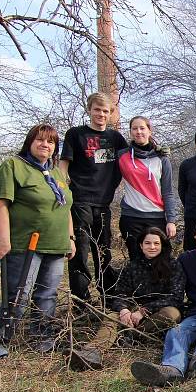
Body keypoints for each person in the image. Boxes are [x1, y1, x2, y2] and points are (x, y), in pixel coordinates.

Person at [0, 124, 75, 360]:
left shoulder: (55, 172)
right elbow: (1, 204)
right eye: (40, 140)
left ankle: (42, 337)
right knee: (18, 294)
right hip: (26, 243)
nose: (45, 145)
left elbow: (66, 208)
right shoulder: (14, 166)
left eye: (51, 142)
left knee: (47, 294)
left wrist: (71, 238)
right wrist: (3, 239)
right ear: (30, 142)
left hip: (56, 243)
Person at [130, 217, 196, 387]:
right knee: (175, 332)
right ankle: (172, 369)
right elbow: (173, 286)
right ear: (195, 235)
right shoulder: (185, 259)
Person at [67, 227, 185, 371]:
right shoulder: (132, 266)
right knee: (112, 316)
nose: (152, 247)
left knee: (172, 314)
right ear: (141, 245)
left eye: (156, 243)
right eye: (147, 243)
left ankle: (131, 335)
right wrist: (124, 309)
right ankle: (91, 353)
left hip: (159, 311)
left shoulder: (173, 265)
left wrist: (144, 311)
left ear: (162, 245)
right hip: (133, 309)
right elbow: (120, 293)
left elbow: (176, 297)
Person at [59, 92, 126, 303]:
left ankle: (108, 296)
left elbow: (132, 159)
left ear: (110, 114)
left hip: (104, 203)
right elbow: (63, 166)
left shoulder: (115, 138)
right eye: (97, 109)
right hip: (80, 201)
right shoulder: (75, 134)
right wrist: (62, 192)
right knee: (80, 253)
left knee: (104, 251)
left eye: (106, 111)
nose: (101, 114)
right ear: (89, 110)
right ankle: (81, 300)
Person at [118, 116, 177, 259]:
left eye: (142, 128)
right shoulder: (122, 156)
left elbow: (168, 192)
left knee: (161, 260)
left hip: (156, 217)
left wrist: (171, 220)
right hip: (131, 217)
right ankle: (138, 283)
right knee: (136, 260)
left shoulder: (162, 158)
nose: (138, 132)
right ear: (130, 132)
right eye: (134, 128)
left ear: (149, 131)